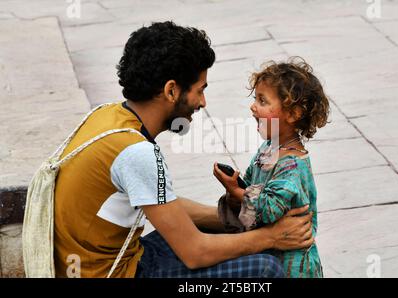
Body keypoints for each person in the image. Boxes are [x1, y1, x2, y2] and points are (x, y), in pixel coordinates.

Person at [54, 21, 314, 278]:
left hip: (115, 259)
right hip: (118, 273)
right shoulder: (136, 153)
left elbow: (168, 208)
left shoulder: (108, 116)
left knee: (230, 233)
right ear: (171, 90)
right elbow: (195, 252)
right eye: (200, 91)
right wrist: (271, 236)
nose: (202, 103)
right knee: (266, 269)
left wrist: (233, 217)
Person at [214, 58, 329, 277]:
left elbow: (269, 208)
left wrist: (239, 192)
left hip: (293, 267)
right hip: (271, 254)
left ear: (293, 114)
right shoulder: (269, 148)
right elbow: (251, 182)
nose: (253, 106)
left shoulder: (292, 164)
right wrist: (235, 188)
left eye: (263, 101)